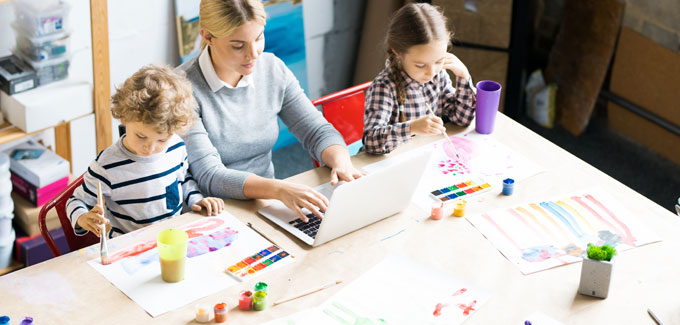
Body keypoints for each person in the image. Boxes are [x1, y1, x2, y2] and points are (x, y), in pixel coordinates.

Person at [178, 0, 363, 222]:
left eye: (258, 38)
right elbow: (210, 176)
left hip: (266, 204)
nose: (254, 54)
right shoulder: (181, 90)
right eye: (238, 45)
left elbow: (317, 130)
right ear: (208, 37)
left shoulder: (272, 69)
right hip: (212, 213)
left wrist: (341, 161)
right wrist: (279, 189)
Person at [67, 65, 224, 238]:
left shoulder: (176, 147)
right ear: (124, 117)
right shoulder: (106, 166)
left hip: (170, 240)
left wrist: (197, 200)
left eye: (161, 140)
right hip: (129, 248)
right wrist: (82, 218)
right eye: (141, 136)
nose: (149, 148)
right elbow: (76, 201)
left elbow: (183, 178)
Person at [363, 3, 476, 154]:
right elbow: (371, 141)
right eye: (420, 65)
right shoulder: (385, 87)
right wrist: (412, 128)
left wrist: (463, 76)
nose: (431, 73)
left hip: (426, 155)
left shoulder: (439, 75)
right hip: (392, 164)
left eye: (438, 61)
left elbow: (462, 119)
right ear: (398, 52)